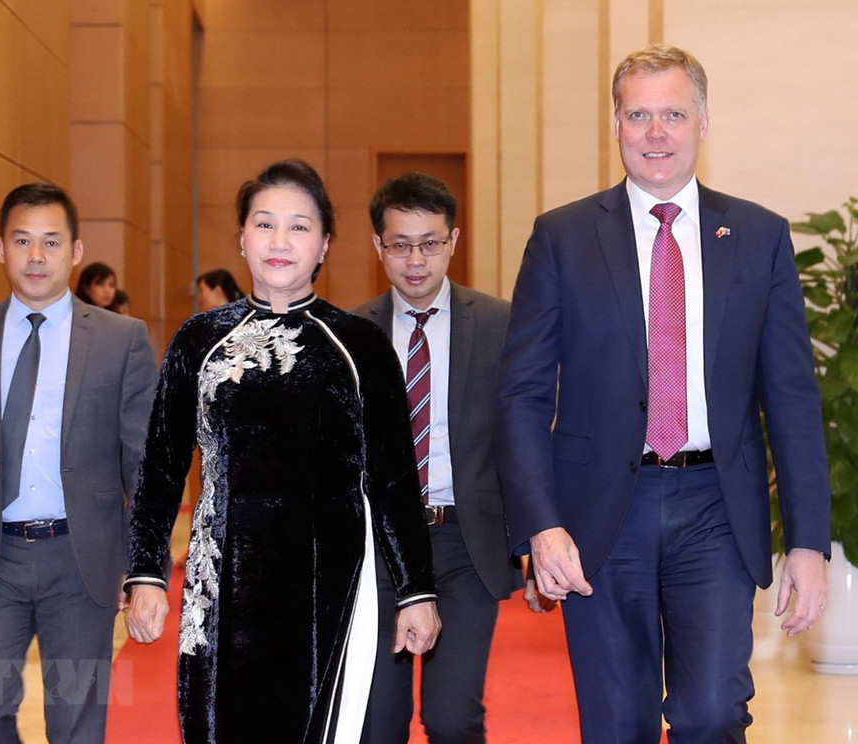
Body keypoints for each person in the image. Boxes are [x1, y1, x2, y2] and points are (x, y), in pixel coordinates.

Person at [496, 44, 831, 742]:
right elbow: (523, 392)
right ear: (614, 125)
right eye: (639, 114)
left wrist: (807, 543)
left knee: (711, 711)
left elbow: (792, 395)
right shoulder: (561, 238)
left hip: (715, 507)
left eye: (673, 114)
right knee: (618, 724)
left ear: (703, 123)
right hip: (599, 517)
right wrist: (539, 523)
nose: (657, 132)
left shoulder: (759, 237)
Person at [123, 159, 441, 744]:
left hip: (329, 580)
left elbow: (394, 478)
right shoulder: (198, 341)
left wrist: (416, 590)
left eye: (299, 226)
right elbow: (161, 469)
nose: (279, 240)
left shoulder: (360, 346)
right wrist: (145, 574)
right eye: (264, 224)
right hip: (220, 579)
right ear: (242, 237)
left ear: (324, 245)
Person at [0, 183, 157, 743]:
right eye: (22, 241)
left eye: (50, 242)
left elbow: (144, 464)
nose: (36, 257)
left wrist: (144, 567)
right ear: (0, 250)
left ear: (75, 251)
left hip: (80, 561)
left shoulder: (121, 340)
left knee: (74, 726)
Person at [354, 172, 522, 743]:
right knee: (378, 722)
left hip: (464, 544)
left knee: (452, 719)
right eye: (400, 244)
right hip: (377, 549)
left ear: (455, 240)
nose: (416, 260)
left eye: (430, 242)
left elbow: (521, 440)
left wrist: (533, 539)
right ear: (378, 247)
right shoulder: (353, 333)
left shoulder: (500, 323)